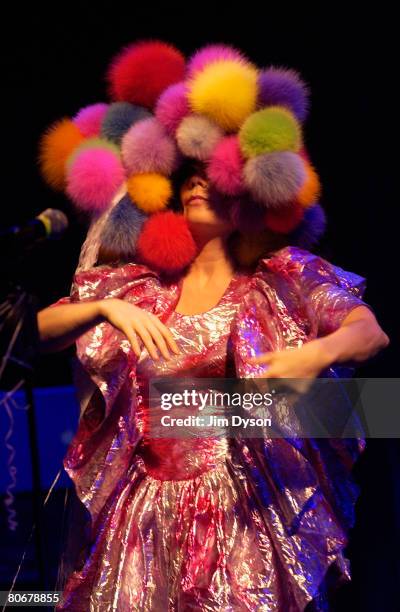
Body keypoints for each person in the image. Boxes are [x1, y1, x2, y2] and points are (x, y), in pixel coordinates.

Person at [37, 41, 390, 610]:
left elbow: (370, 334)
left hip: (237, 513)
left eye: (214, 174)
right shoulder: (142, 289)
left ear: (246, 189)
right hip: (144, 517)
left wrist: (314, 358)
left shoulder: (276, 279)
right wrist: (108, 309)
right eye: (189, 176)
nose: (198, 183)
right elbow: (40, 328)